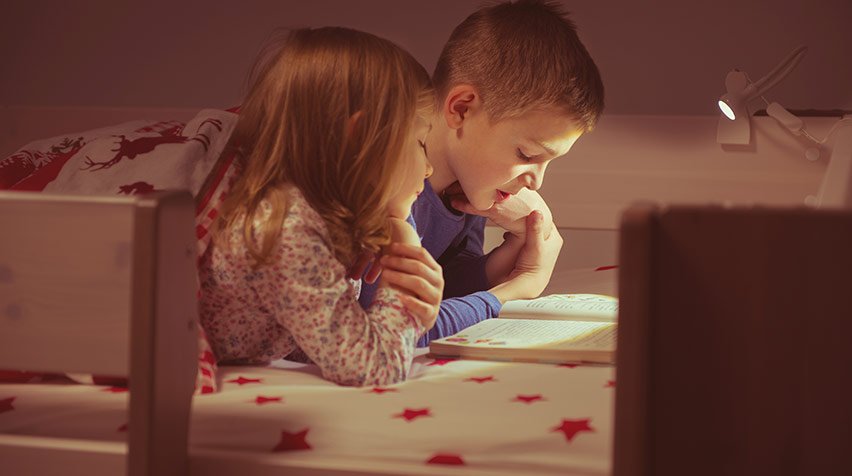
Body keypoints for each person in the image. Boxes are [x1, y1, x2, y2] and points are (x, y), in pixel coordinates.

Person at [199, 27, 443, 386]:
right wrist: (407, 290)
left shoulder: (302, 216)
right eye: (421, 142)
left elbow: (313, 342)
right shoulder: (286, 230)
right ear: (362, 140)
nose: (428, 168)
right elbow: (374, 369)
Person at [357, 0, 605, 345]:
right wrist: (509, 293)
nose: (536, 181)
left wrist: (512, 251)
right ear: (461, 109)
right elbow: (395, 328)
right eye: (527, 154)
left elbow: (444, 284)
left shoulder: (468, 183)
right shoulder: (391, 188)